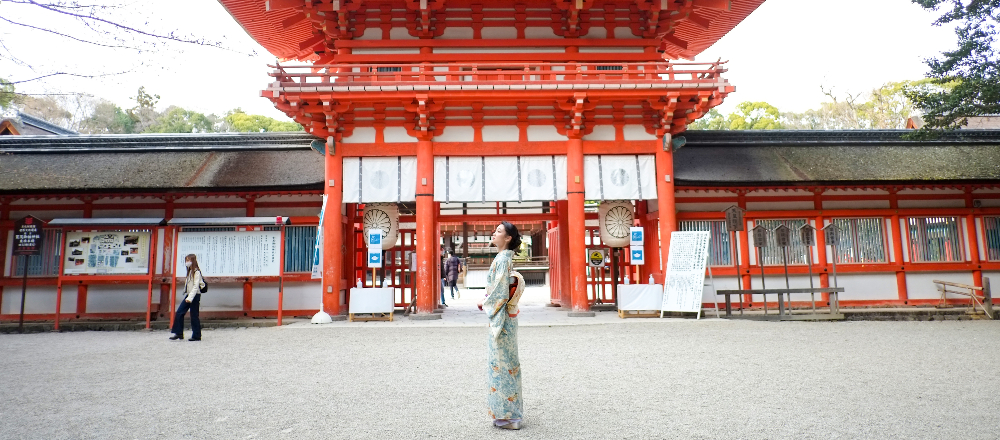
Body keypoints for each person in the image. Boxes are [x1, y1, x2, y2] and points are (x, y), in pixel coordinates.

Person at [477, 221, 524, 430]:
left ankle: (510, 416)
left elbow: (500, 292)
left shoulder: (503, 259)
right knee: (505, 364)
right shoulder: (503, 258)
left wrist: (484, 302)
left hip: (502, 319)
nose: (494, 234)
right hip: (505, 317)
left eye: (498, 231)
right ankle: (505, 414)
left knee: (503, 365)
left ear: (508, 238)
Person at [169, 254, 206, 341]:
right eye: (186, 260)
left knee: (194, 316)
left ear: (193, 261)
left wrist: (190, 298)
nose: (187, 262)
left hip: (194, 295)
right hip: (189, 294)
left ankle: (196, 335)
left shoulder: (196, 272)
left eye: (188, 260)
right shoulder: (189, 271)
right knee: (179, 313)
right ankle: (179, 333)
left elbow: (195, 286)